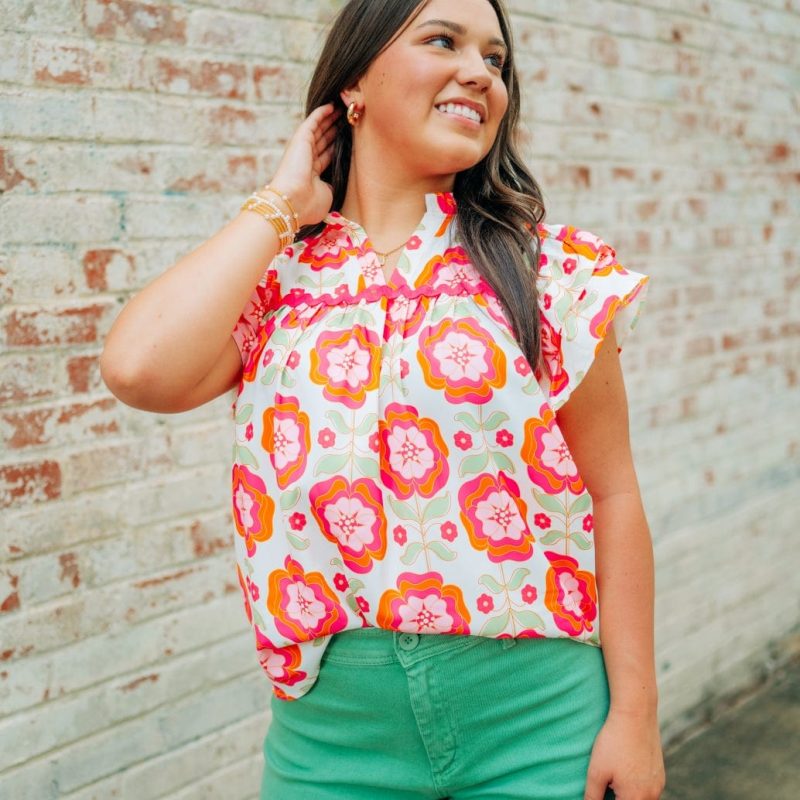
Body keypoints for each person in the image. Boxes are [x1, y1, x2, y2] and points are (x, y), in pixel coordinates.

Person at [100, 0, 666, 797]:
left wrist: (635, 715)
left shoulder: (548, 271)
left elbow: (615, 494)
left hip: (540, 725)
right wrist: (280, 204)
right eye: (444, 41)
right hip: (331, 743)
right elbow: (137, 369)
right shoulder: (276, 281)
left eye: (495, 60)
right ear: (354, 84)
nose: (480, 71)